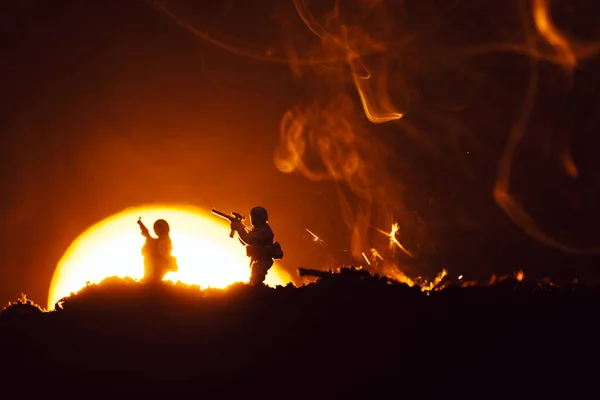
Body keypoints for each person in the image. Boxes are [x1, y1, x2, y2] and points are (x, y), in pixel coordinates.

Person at [230, 206, 277, 286]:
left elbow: (249, 240)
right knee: (254, 280)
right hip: (258, 261)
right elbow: (245, 242)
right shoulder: (259, 229)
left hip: (262, 262)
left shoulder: (263, 231)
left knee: (255, 282)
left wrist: (239, 228)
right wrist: (239, 228)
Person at [137, 218, 178, 283]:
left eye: (161, 228)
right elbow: (149, 244)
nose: (159, 230)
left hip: (162, 262)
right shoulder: (154, 240)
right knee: (150, 277)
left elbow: (165, 250)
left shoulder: (166, 239)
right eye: (157, 228)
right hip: (153, 261)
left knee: (156, 278)